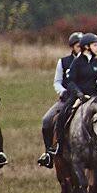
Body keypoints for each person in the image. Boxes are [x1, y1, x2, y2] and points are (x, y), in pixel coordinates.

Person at [37, 31, 83, 169]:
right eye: (78, 45)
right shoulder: (63, 62)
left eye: (83, 45)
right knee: (46, 120)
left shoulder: (91, 62)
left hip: (86, 99)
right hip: (67, 99)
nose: (80, 47)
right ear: (72, 46)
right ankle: (49, 154)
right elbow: (57, 82)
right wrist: (63, 92)